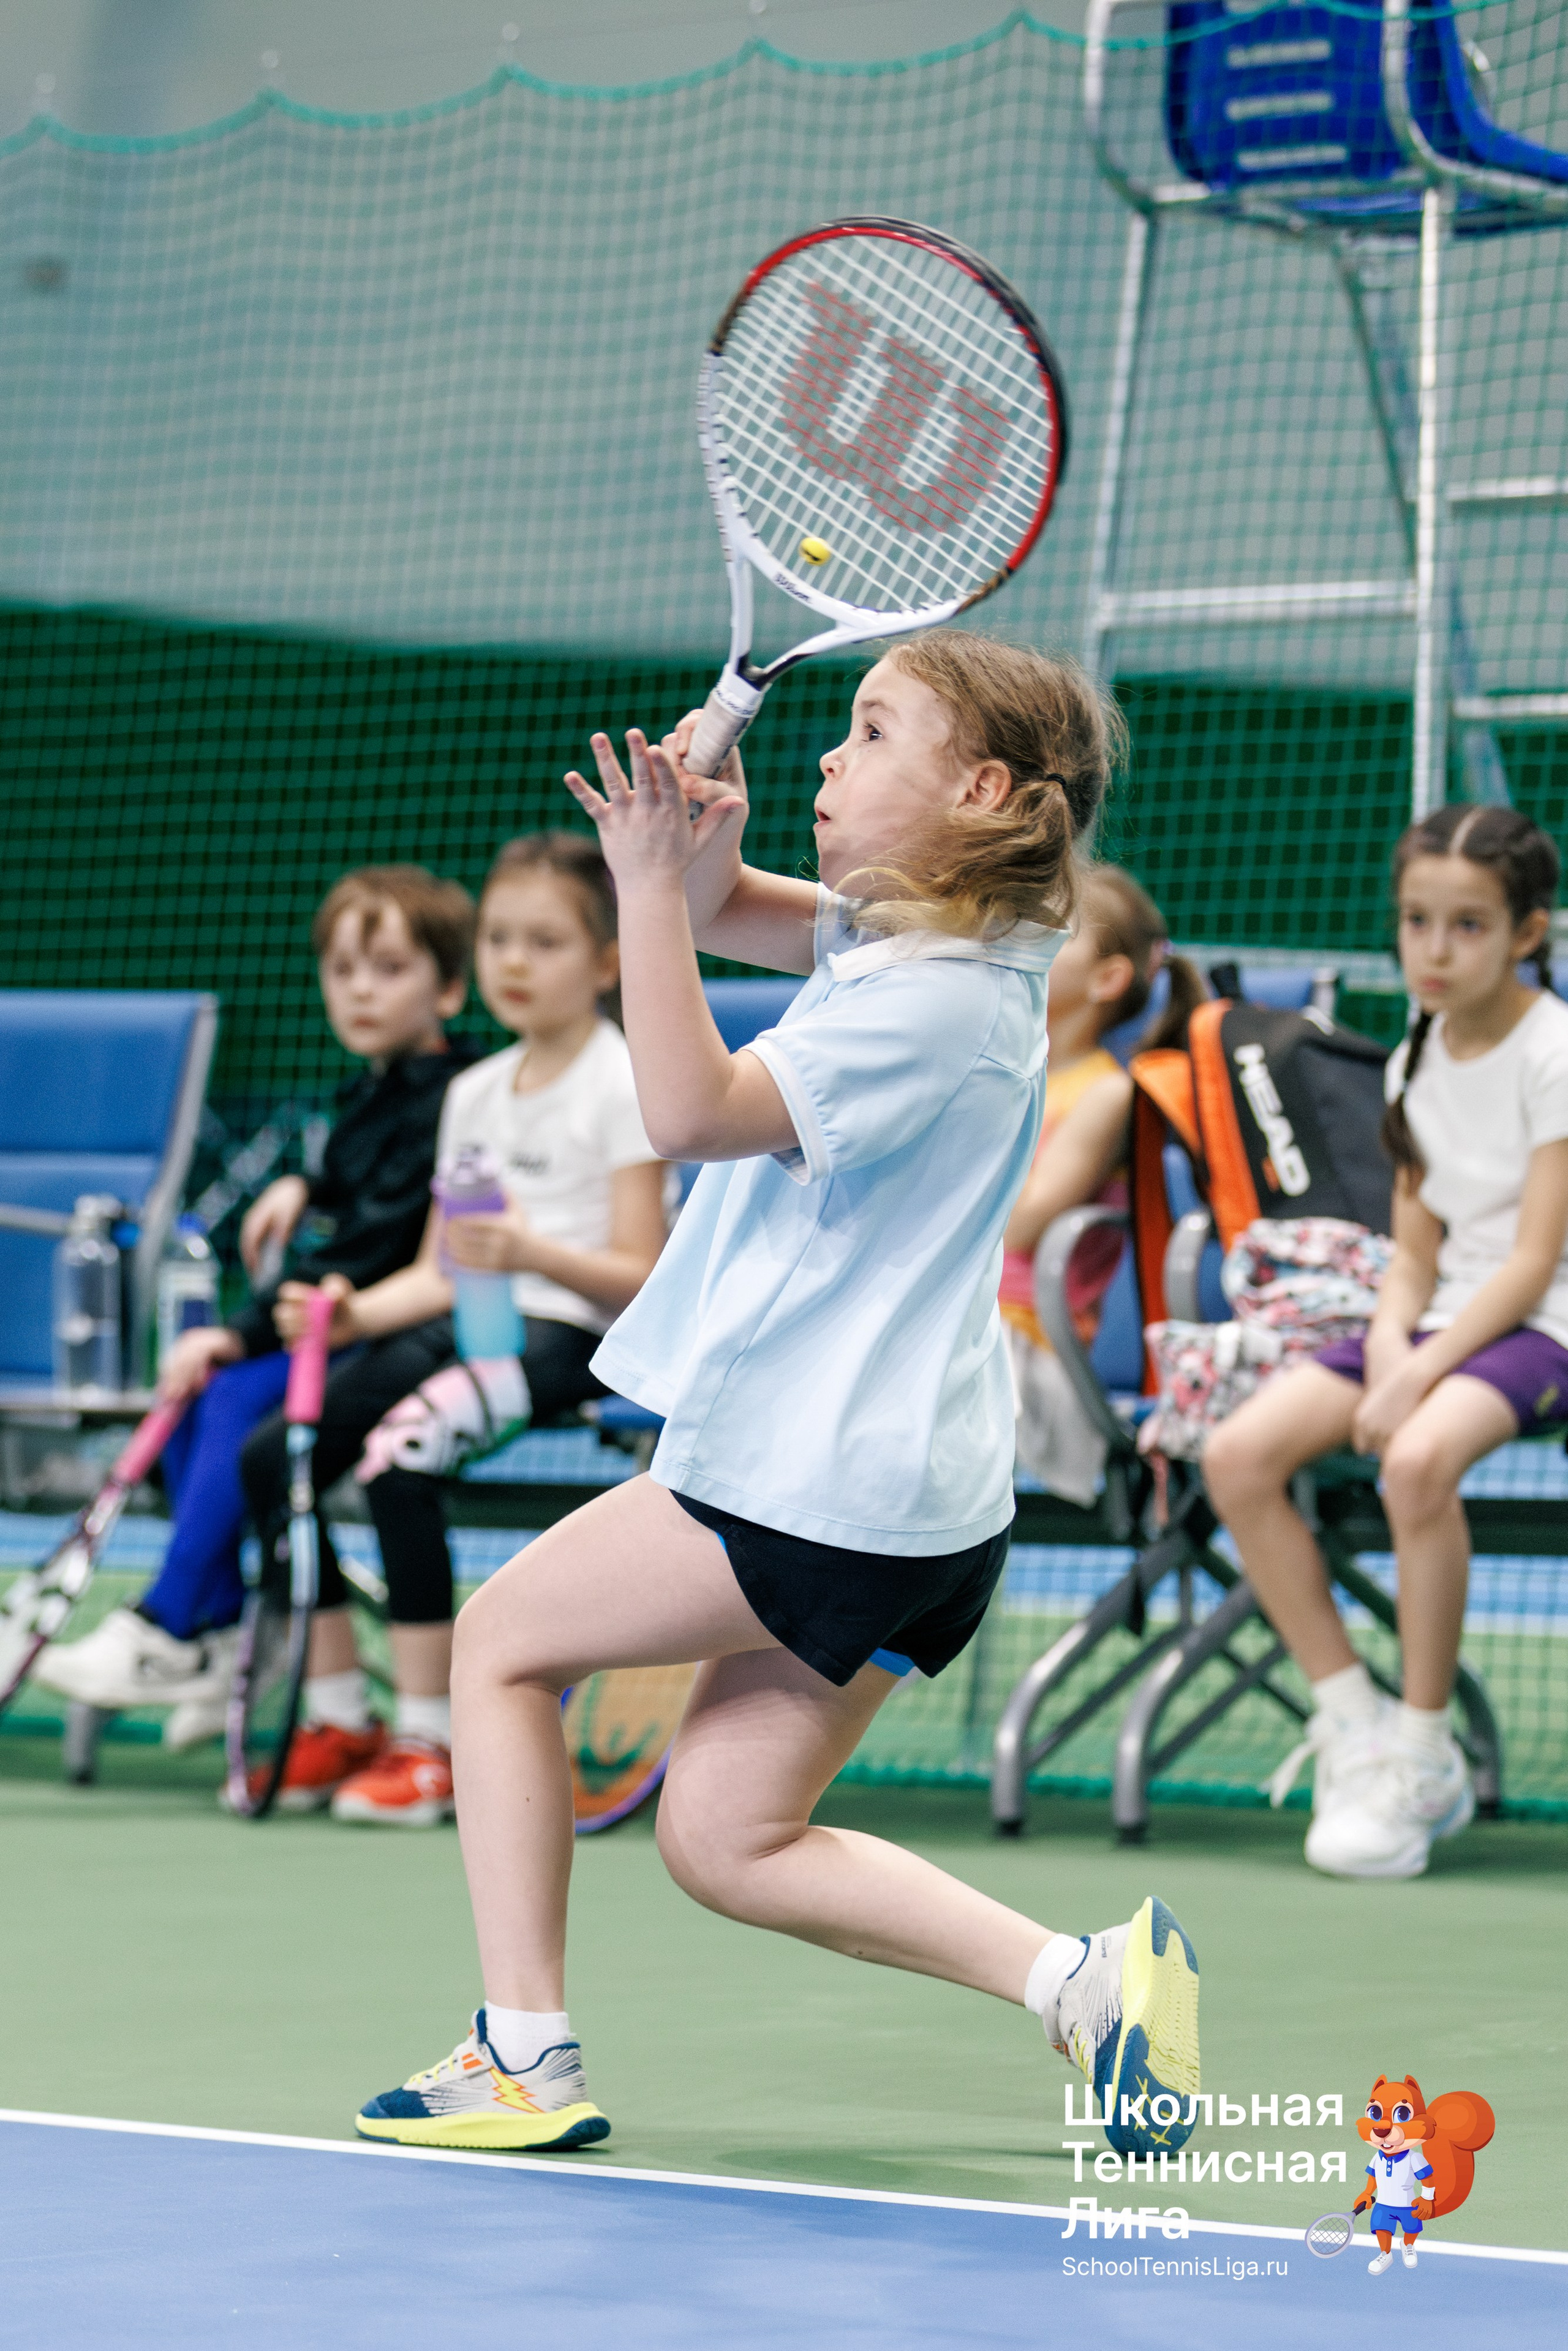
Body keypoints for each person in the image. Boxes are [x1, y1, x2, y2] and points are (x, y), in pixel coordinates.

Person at [354, 632, 1200, 2157]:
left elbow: (685, 1106)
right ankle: (1084, 1987)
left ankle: (521, 2054)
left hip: (804, 1483)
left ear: (978, 786)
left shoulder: (928, 1005)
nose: (827, 755)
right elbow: (715, 914)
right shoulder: (927, 951)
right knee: (726, 1837)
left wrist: (633, 883)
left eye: (872, 732)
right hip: (913, 1506)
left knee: (497, 1646)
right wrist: (690, 842)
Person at [241, 831, 669, 1825]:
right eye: (498, 939)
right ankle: (342, 1714)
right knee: (277, 1460)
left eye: (546, 942)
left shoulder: (625, 1079)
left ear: (607, 962)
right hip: (468, 1324)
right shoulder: (472, 1093)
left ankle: (429, 1743)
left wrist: (531, 1256)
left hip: (571, 1333)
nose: (514, 963)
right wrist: (346, 1311)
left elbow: (643, 1273)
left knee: (400, 1458)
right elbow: (440, 1269)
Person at [1204, 804, 1568, 1880]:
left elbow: (1533, 1260)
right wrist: (1392, 1335)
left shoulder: (1554, 1051)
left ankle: (1423, 1753)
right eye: (1417, 922)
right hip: (1440, 1315)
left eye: (1466, 926)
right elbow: (1413, 1251)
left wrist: (1415, 1370)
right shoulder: (1413, 1051)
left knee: (1414, 1459)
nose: (1434, 950)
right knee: (1237, 1456)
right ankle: (1350, 1719)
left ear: (1527, 932)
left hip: (1540, 1326)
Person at [35, 865, 477, 1745]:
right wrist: (303, 1179)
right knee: (207, 1396)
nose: (359, 988)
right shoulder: (370, 1092)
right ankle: (220, 1623)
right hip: (339, 1327)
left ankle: (170, 1621)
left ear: (451, 987)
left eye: (389, 968)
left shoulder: (455, 1094)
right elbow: (356, 1191)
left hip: (408, 1336)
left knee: (235, 1392)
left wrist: (233, 1336)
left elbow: (369, 1247)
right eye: (343, 969)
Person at [998, 866, 1203, 1501]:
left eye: (1049, 928)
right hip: (961, 1324)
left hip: (1028, 1348)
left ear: (1106, 979)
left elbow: (1024, 1223)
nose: (1019, 936)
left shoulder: (1104, 1092)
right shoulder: (1002, 1073)